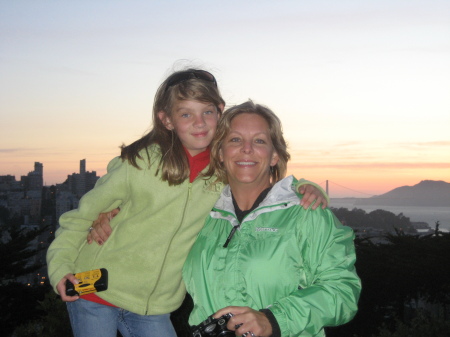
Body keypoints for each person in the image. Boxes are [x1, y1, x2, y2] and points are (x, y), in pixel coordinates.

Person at [46, 68, 328, 337]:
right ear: (167, 120)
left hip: (154, 306)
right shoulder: (140, 164)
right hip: (94, 289)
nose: (199, 122)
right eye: (186, 114)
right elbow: (78, 219)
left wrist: (306, 187)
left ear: (220, 112)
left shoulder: (220, 173)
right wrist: (60, 269)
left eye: (207, 112)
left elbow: (258, 181)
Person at [182, 101, 361, 337]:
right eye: (235, 139)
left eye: (259, 141)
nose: (246, 148)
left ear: (275, 155)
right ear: (220, 153)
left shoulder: (306, 212)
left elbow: (342, 292)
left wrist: (273, 320)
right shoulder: (201, 214)